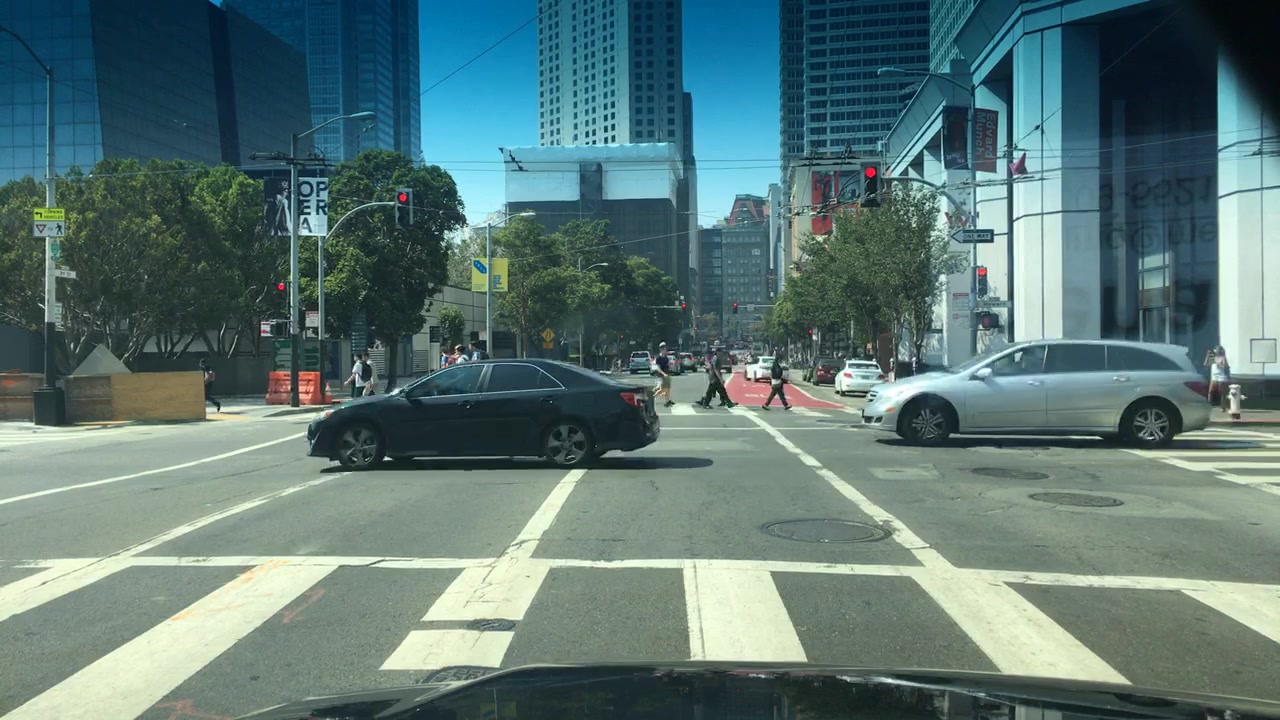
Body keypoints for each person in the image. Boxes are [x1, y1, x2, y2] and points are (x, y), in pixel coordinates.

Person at [1205, 345, 1231, 412]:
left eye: (1216, 350)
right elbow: (1206, 364)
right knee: (1210, 391)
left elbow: (1224, 366)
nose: (1215, 351)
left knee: (1222, 393)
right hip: (1214, 377)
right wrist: (1208, 356)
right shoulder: (1213, 357)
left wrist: (1218, 364)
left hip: (1221, 377)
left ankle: (1223, 407)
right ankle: (1208, 405)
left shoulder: (1223, 358)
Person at [654, 342, 674, 407]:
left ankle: (667, 401)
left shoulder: (666, 357)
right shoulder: (658, 358)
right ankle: (652, 396)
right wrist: (663, 374)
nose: (666, 350)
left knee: (668, 388)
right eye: (665, 349)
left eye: (666, 349)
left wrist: (669, 371)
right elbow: (658, 368)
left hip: (667, 375)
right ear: (661, 350)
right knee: (662, 389)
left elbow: (667, 366)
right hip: (661, 376)